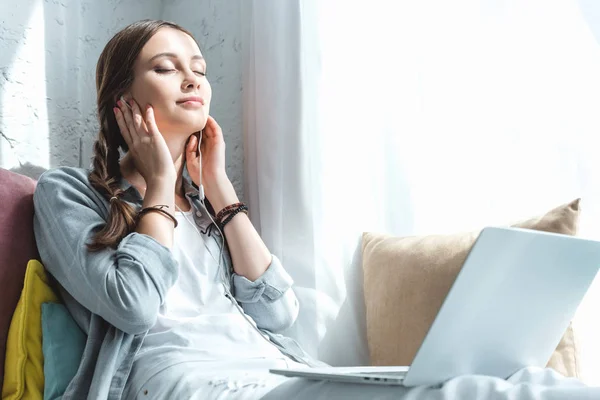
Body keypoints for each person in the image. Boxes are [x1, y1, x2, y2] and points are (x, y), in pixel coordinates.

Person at [32, 19, 599, 400]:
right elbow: (132, 306)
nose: (192, 78)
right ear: (122, 102)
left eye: (199, 67)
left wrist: (221, 189)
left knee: (518, 380)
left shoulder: (204, 204)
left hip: (270, 367)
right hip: (185, 380)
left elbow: (280, 316)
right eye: (165, 66)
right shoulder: (68, 194)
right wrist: (158, 183)